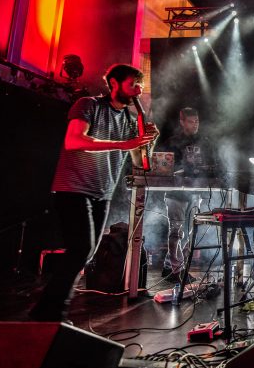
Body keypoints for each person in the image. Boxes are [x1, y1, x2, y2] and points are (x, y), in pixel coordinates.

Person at [29, 64, 158, 322]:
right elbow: (74, 140)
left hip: (102, 192)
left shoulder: (130, 121)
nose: (138, 89)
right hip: (74, 188)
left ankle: (46, 311)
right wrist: (124, 143)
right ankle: (51, 313)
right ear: (113, 83)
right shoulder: (89, 105)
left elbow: (139, 161)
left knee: (85, 253)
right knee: (81, 249)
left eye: (140, 85)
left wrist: (149, 142)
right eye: (133, 83)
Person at [159, 107, 218, 283]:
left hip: (195, 191)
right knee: (176, 231)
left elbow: (212, 164)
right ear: (182, 122)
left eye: (197, 121)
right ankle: (177, 269)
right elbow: (164, 166)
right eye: (191, 121)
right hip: (176, 192)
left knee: (194, 232)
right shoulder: (173, 142)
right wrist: (180, 170)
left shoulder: (205, 142)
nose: (195, 125)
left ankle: (172, 264)